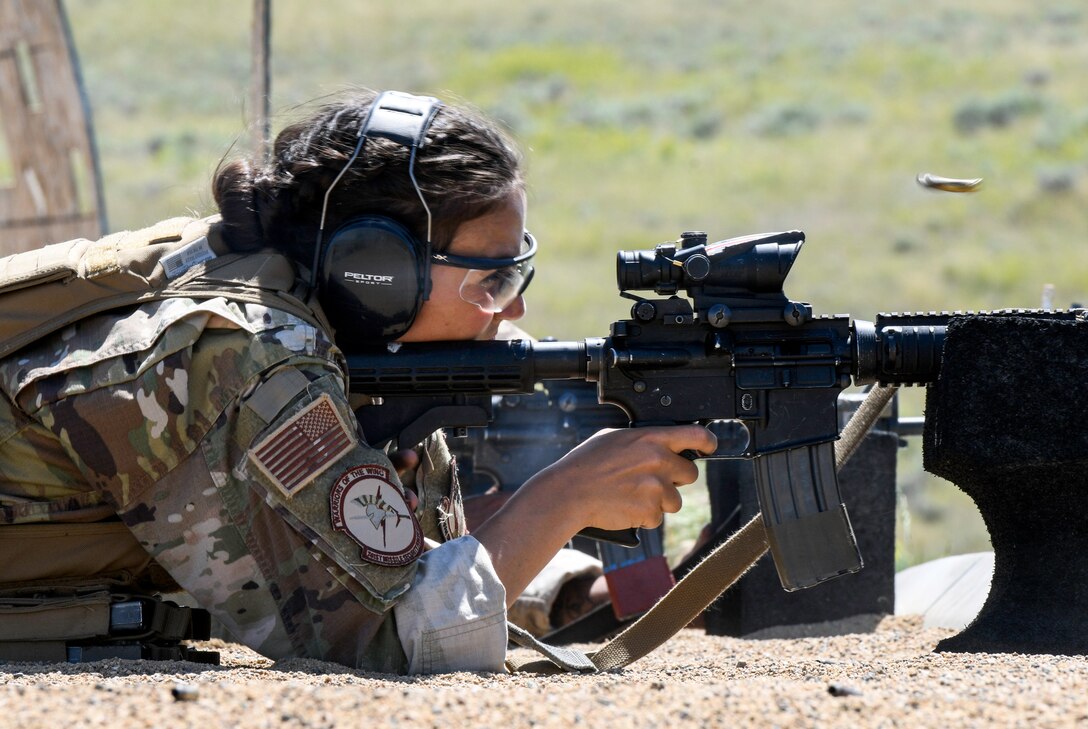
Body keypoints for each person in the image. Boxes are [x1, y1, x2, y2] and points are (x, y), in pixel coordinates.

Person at [0, 89, 715, 673]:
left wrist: (570, 584)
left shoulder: (292, 303)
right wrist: (567, 494)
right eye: (491, 281)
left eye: (516, 275)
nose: (514, 310)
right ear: (379, 271)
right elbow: (388, 641)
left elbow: (380, 566)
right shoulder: (248, 357)